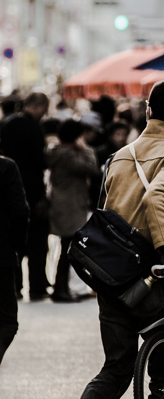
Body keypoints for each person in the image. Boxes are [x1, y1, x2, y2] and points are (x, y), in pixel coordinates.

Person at [50, 79, 164, 399]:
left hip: (110, 276)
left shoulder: (119, 156)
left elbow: (113, 214)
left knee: (117, 366)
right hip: (150, 279)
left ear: (147, 110)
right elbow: (154, 202)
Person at [1, 92, 51, 300]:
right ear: (37, 106)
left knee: (15, 240)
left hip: (8, 190)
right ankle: (37, 285)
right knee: (38, 242)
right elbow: (40, 161)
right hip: (31, 190)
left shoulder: (6, 124)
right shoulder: (32, 128)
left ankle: (16, 285)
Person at [47, 120, 99, 303]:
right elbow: (91, 168)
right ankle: (60, 289)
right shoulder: (67, 155)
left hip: (65, 205)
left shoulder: (58, 152)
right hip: (69, 206)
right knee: (68, 247)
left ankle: (61, 287)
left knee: (66, 246)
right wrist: (86, 148)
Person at [0, 148, 29, 366]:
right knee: (7, 320)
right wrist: (16, 246)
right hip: (1, 254)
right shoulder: (6, 167)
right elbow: (20, 212)